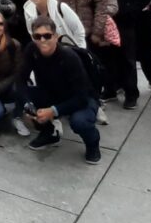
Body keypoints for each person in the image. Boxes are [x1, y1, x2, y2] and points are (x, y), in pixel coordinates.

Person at [21, 15, 102, 164]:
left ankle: (93, 143)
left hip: (81, 98)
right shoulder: (31, 50)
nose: (42, 40)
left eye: (47, 35)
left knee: (80, 121)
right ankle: (49, 133)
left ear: (56, 36)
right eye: (37, 36)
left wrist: (53, 111)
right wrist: (27, 105)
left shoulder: (69, 57)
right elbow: (20, 79)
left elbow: (82, 97)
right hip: (52, 93)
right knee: (24, 97)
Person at [102, 0, 150, 109]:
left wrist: (128, 11)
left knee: (127, 60)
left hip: (125, 23)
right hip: (105, 22)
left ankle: (131, 94)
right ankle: (110, 89)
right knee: (107, 58)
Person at [0, 10, 29, 136]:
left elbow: (18, 72)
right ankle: (1, 110)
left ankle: (17, 115)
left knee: (21, 86)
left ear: (4, 26)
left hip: (7, 86)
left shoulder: (13, 45)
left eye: (0, 23)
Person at [20, 0, 85, 47]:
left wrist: (80, 50)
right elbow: (33, 34)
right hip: (47, 50)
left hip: (69, 48)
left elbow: (79, 31)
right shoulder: (28, 11)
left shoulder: (61, 7)